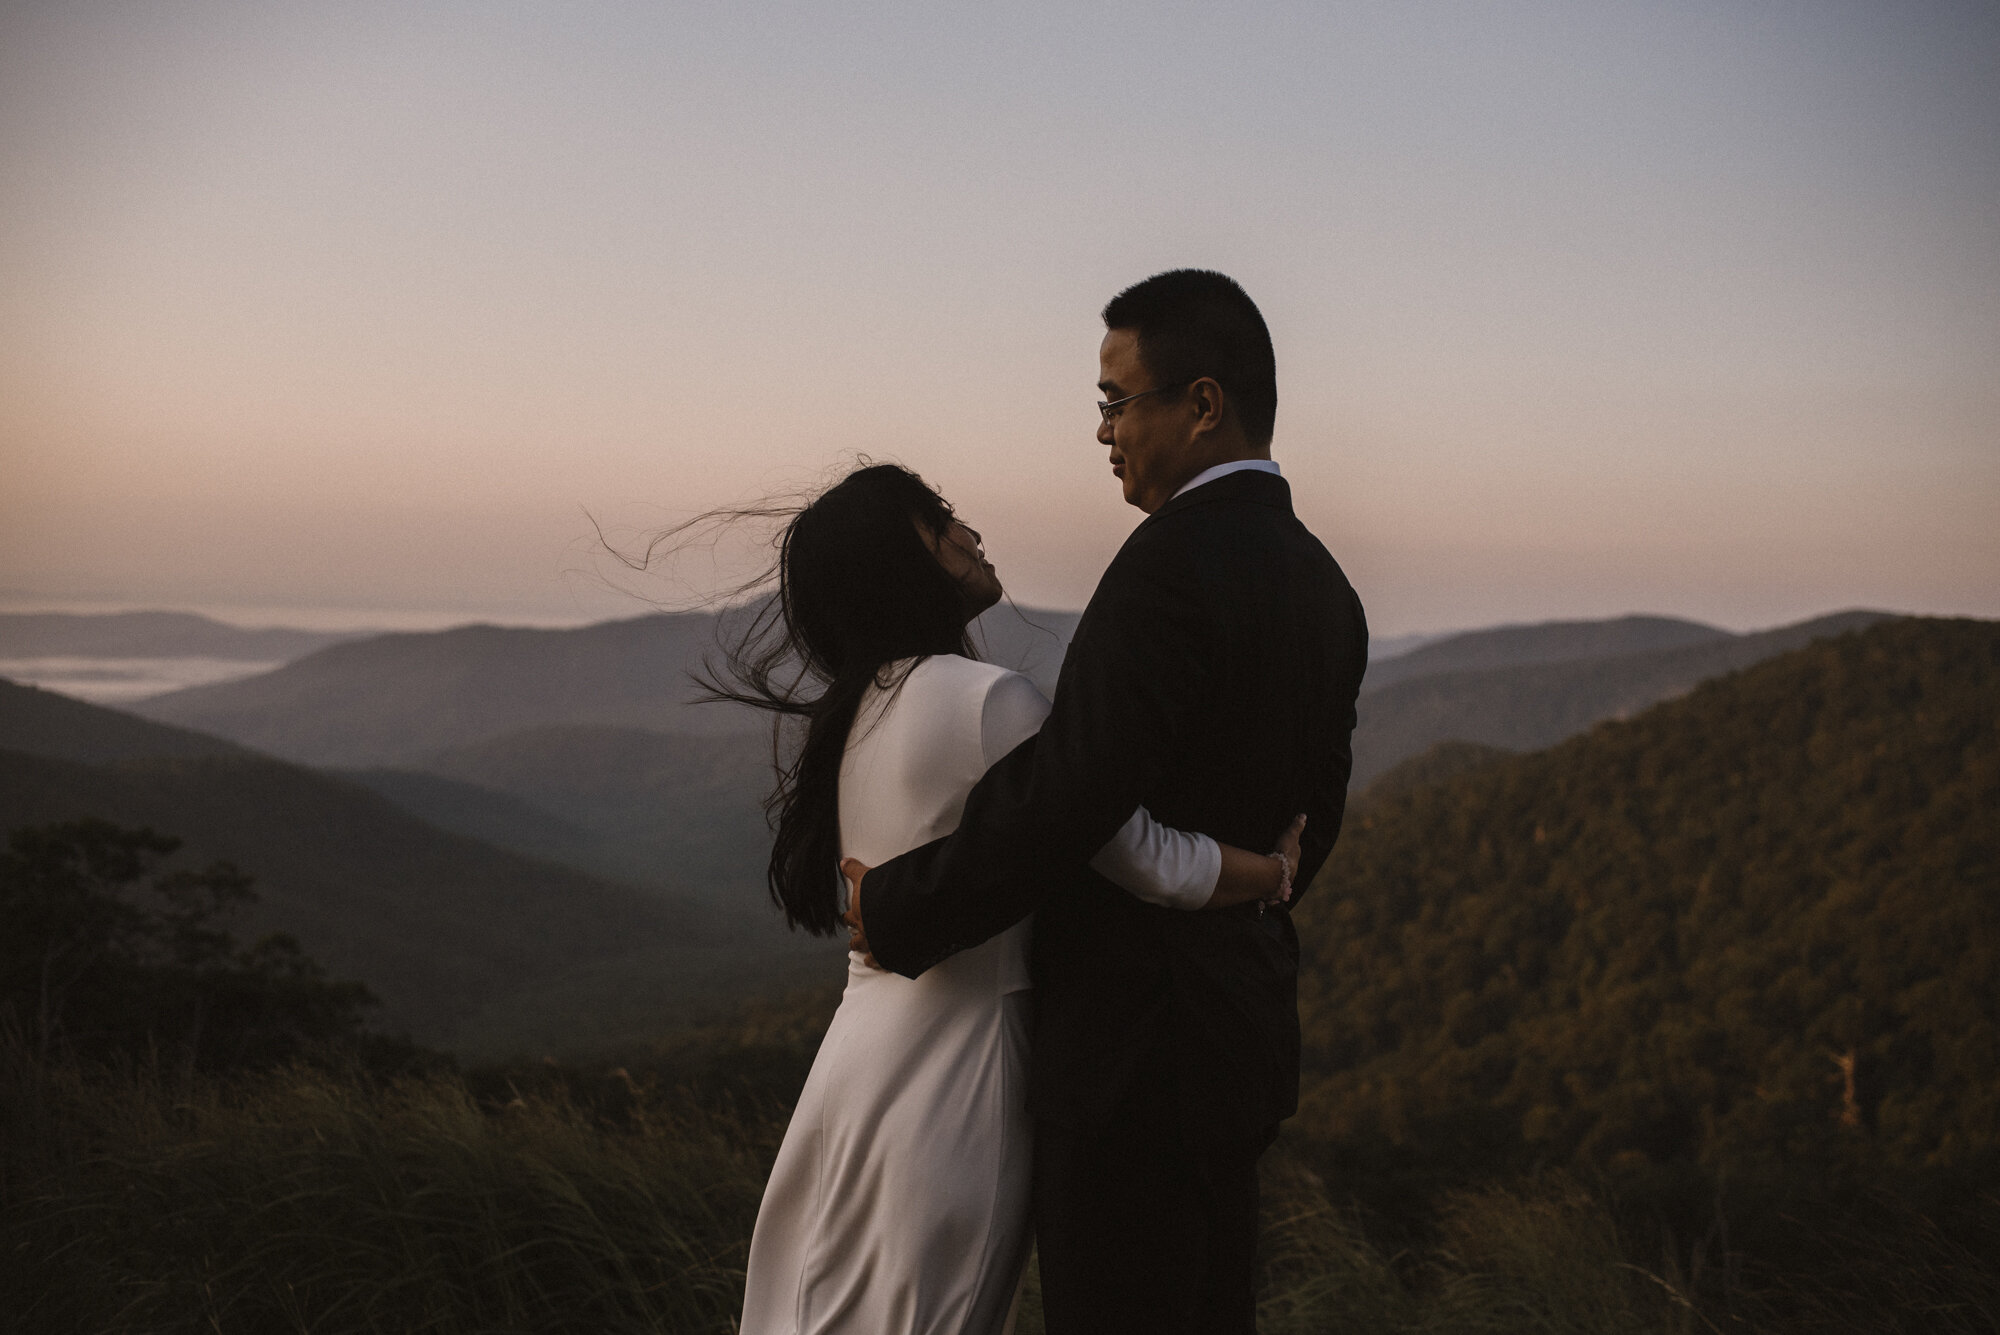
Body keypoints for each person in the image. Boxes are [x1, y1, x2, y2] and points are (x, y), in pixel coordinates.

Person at [846, 270, 1369, 1333]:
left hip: (1133, 1065)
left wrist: (897, 910)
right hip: (1241, 1043)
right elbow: (1314, 818)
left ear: (1202, 403)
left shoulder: (1166, 566)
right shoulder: (1325, 585)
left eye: (1114, 401)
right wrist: (1261, 882)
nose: (1101, 432)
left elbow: (1068, 793)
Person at [719, 463, 1307, 1335]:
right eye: (940, 521)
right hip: (958, 1078)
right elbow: (1138, 853)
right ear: (901, 559)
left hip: (855, 1066)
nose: (970, 533)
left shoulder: (865, 706)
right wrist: (1272, 873)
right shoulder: (988, 700)